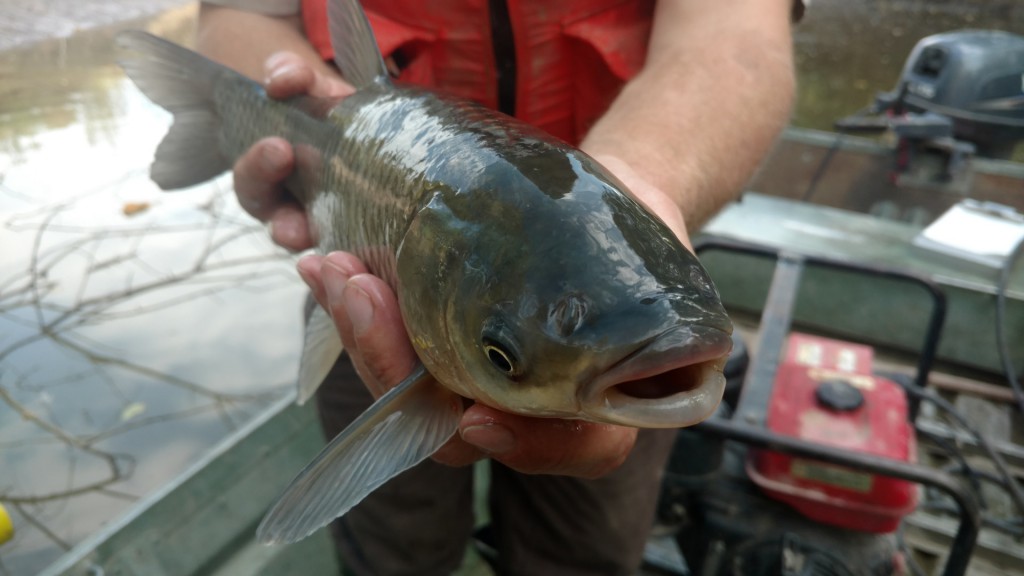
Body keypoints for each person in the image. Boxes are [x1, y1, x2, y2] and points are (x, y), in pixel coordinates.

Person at [196, 1, 800, 574]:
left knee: (583, 554)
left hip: (613, 247)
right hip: (370, 281)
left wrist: (644, 181)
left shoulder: (631, 339)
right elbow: (238, 14)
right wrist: (295, 98)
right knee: (395, 551)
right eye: (501, 356)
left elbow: (739, 36)